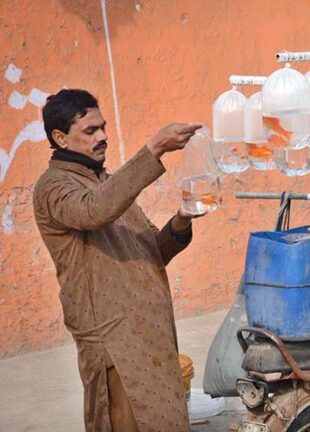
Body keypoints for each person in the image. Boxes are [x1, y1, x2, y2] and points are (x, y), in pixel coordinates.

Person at [33, 89, 204, 431]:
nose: (103, 138)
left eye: (104, 128)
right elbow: (94, 210)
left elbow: (152, 253)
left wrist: (181, 220)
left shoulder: (105, 182)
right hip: (116, 349)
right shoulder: (53, 188)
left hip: (152, 340)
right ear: (60, 137)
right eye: (90, 131)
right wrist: (154, 148)